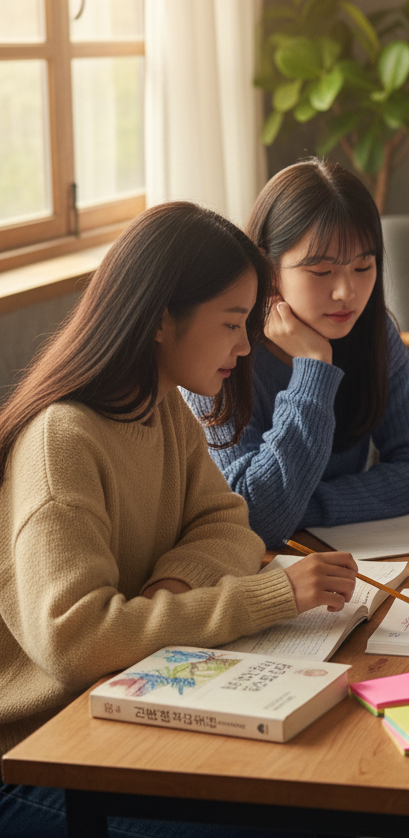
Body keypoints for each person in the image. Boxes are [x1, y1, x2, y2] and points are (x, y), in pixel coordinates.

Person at [0, 202, 358, 838]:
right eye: (231, 323)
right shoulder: (63, 442)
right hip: (43, 754)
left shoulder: (160, 409)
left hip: (126, 709)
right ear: (163, 319)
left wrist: (171, 590)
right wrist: (274, 594)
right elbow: (78, 641)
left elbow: (228, 525)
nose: (246, 345)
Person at [185, 160, 409, 548]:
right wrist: (313, 368)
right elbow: (252, 517)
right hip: (248, 570)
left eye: (363, 266)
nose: (347, 292)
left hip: (344, 554)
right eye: (321, 272)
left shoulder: (372, 332)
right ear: (267, 267)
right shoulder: (221, 351)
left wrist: (300, 505)